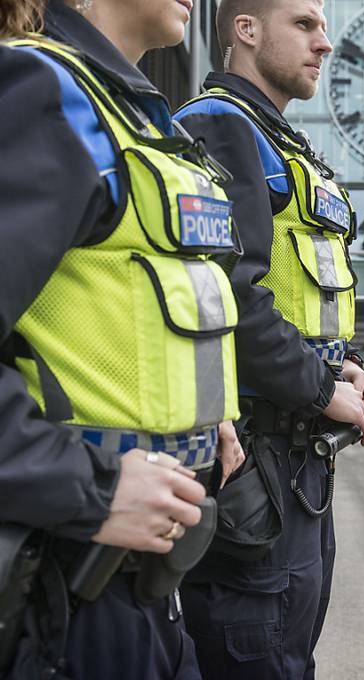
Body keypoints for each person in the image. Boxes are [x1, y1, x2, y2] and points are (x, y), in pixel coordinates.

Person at [0, 1, 245, 678]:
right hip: (69, 578)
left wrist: (201, 416)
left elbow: (117, 298)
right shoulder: (40, 93)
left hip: (143, 574)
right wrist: (92, 487)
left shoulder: (130, 113)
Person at [172, 1, 364, 678]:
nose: (325, 43)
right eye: (305, 24)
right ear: (246, 29)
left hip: (295, 463)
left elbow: (294, 289)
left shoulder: (278, 140)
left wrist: (343, 366)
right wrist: (321, 388)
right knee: (256, 657)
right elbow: (229, 292)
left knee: (287, 655)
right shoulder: (218, 127)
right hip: (256, 463)